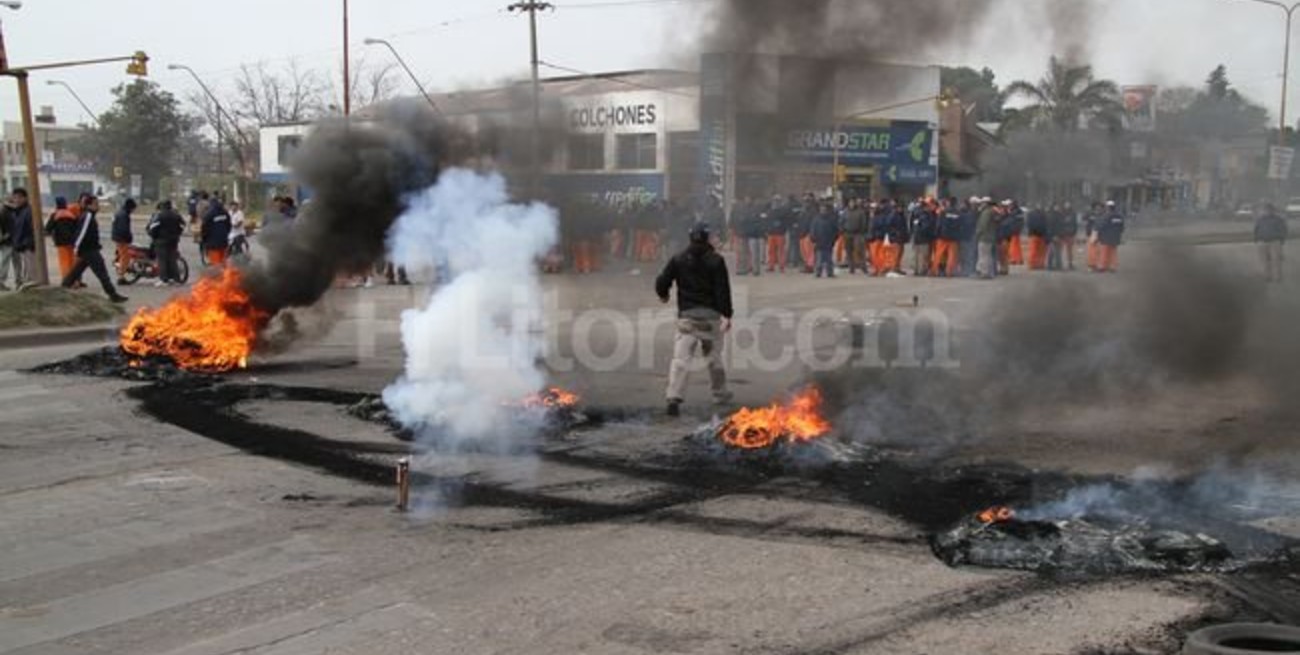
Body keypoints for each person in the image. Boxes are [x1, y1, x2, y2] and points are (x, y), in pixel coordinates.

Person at [655, 222, 734, 417]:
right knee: (714, 358)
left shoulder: (679, 259)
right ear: (707, 238)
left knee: (681, 360)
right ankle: (720, 394)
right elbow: (722, 289)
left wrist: (663, 294)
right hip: (711, 318)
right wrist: (727, 314)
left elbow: (662, 280)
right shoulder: (716, 260)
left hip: (687, 318)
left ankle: (674, 397)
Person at [63, 196, 128, 303]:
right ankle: (113, 295)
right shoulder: (88, 216)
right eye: (95, 204)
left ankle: (63, 289)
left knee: (75, 272)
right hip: (89, 250)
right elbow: (81, 233)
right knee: (102, 273)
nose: (98, 206)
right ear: (89, 205)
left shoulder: (89, 216)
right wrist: (76, 247)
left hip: (88, 250)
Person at [148, 200, 186, 286]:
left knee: (162, 260)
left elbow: (152, 227)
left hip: (161, 241)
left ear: (162, 206)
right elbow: (183, 225)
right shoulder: (176, 215)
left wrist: (154, 236)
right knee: (172, 259)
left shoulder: (160, 216)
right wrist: (178, 233)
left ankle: (164, 279)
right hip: (173, 240)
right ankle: (176, 279)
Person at [45, 196, 81, 282]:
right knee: (72, 262)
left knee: (64, 262)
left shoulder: (55, 215)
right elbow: (77, 227)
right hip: (72, 242)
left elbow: (48, 228)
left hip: (61, 242)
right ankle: (75, 281)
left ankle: (66, 280)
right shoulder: (71, 214)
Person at [1254, 202, 1288, 283]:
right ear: (1264, 210)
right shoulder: (1260, 219)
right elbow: (1256, 229)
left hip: (1275, 242)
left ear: (1273, 210)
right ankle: (1267, 276)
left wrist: (1281, 240)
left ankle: (1277, 277)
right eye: (1266, 209)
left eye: (1269, 209)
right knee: (1265, 261)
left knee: (1276, 260)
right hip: (1262, 242)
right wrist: (1257, 239)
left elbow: (1283, 230)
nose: (1267, 211)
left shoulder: (1278, 219)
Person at [932, 198, 962, 277]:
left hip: (943, 236)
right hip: (953, 237)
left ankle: (935, 271)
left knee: (939, 254)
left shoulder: (943, 212)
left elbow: (939, 224)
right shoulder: (958, 213)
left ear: (948, 203)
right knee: (952, 255)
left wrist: (937, 234)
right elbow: (960, 225)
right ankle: (949, 272)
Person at [810, 201, 840, 279]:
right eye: (821, 209)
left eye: (824, 209)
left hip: (829, 242)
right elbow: (813, 230)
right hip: (819, 242)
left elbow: (835, 230)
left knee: (829, 259)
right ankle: (818, 272)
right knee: (819, 259)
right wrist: (813, 238)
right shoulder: (816, 219)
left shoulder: (831, 219)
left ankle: (830, 272)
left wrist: (834, 240)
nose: (823, 211)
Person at [200, 195, 232, 266]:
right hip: (224, 242)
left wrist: (204, 239)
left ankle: (219, 276)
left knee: (216, 265)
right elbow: (229, 225)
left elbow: (204, 228)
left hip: (213, 244)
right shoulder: (225, 212)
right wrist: (225, 234)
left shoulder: (209, 214)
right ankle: (225, 276)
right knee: (224, 263)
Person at [111, 198, 137, 284]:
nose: (133, 210)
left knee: (124, 256)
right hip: (122, 239)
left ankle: (121, 274)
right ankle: (121, 277)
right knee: (125, 258)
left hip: (117, 237)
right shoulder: (124, 215)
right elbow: (124, 229)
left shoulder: (119, 213)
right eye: (133, 208)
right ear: (130, 207)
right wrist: (129, 238)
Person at [1095, 200, 1126, 273]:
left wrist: (1097, 230)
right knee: (1113, 252)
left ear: (1108, 207)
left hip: (1106, 237)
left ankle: (1103, 266)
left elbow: (1102, 225)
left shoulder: (1107, 215)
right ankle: (1113, 266)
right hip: (1115, 237)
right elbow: (1122, 227)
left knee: (1104, 252)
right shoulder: (1119, 216)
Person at [840, 198, 869, 275]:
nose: (852, 204)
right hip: (847, 233)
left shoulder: (860, 212)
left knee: (859, 251)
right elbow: (841, 222)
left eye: (853, 202)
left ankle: (863, 267)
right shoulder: (845, 212)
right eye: (850, 203)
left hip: (857, 234)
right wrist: (842, 230)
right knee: (849, 251)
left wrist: (862, 231)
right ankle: (851, 267)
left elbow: (864, 223)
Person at [910, 198, 937, 276]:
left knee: (915, 255)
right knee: (923, 256)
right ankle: (922, 270)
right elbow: (926, 227)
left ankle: (915, 270)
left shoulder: (915, 214)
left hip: (916, 237)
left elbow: (912, 225)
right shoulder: (926, 215)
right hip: (924, 238)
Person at [975, 198, 1000, 279]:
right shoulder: (993, 212)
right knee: (988, 256)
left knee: (983, 255)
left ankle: (984, 273)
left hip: (984, 237)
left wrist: (977, 234)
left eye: (982, 203)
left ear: (986, 203)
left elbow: (982, 225)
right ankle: (990, 272)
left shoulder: (986, 213)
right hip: (991, 237)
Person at [1025, 204, 1049, 270]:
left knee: (1034, 250)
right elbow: (1045, 225)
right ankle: (1038, 264)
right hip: (1039, 234)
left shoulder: (1031, 214)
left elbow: (1029, 224)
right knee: (1038, 251)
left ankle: (1034, 264)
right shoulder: (1043, 214)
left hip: (1035, 234)